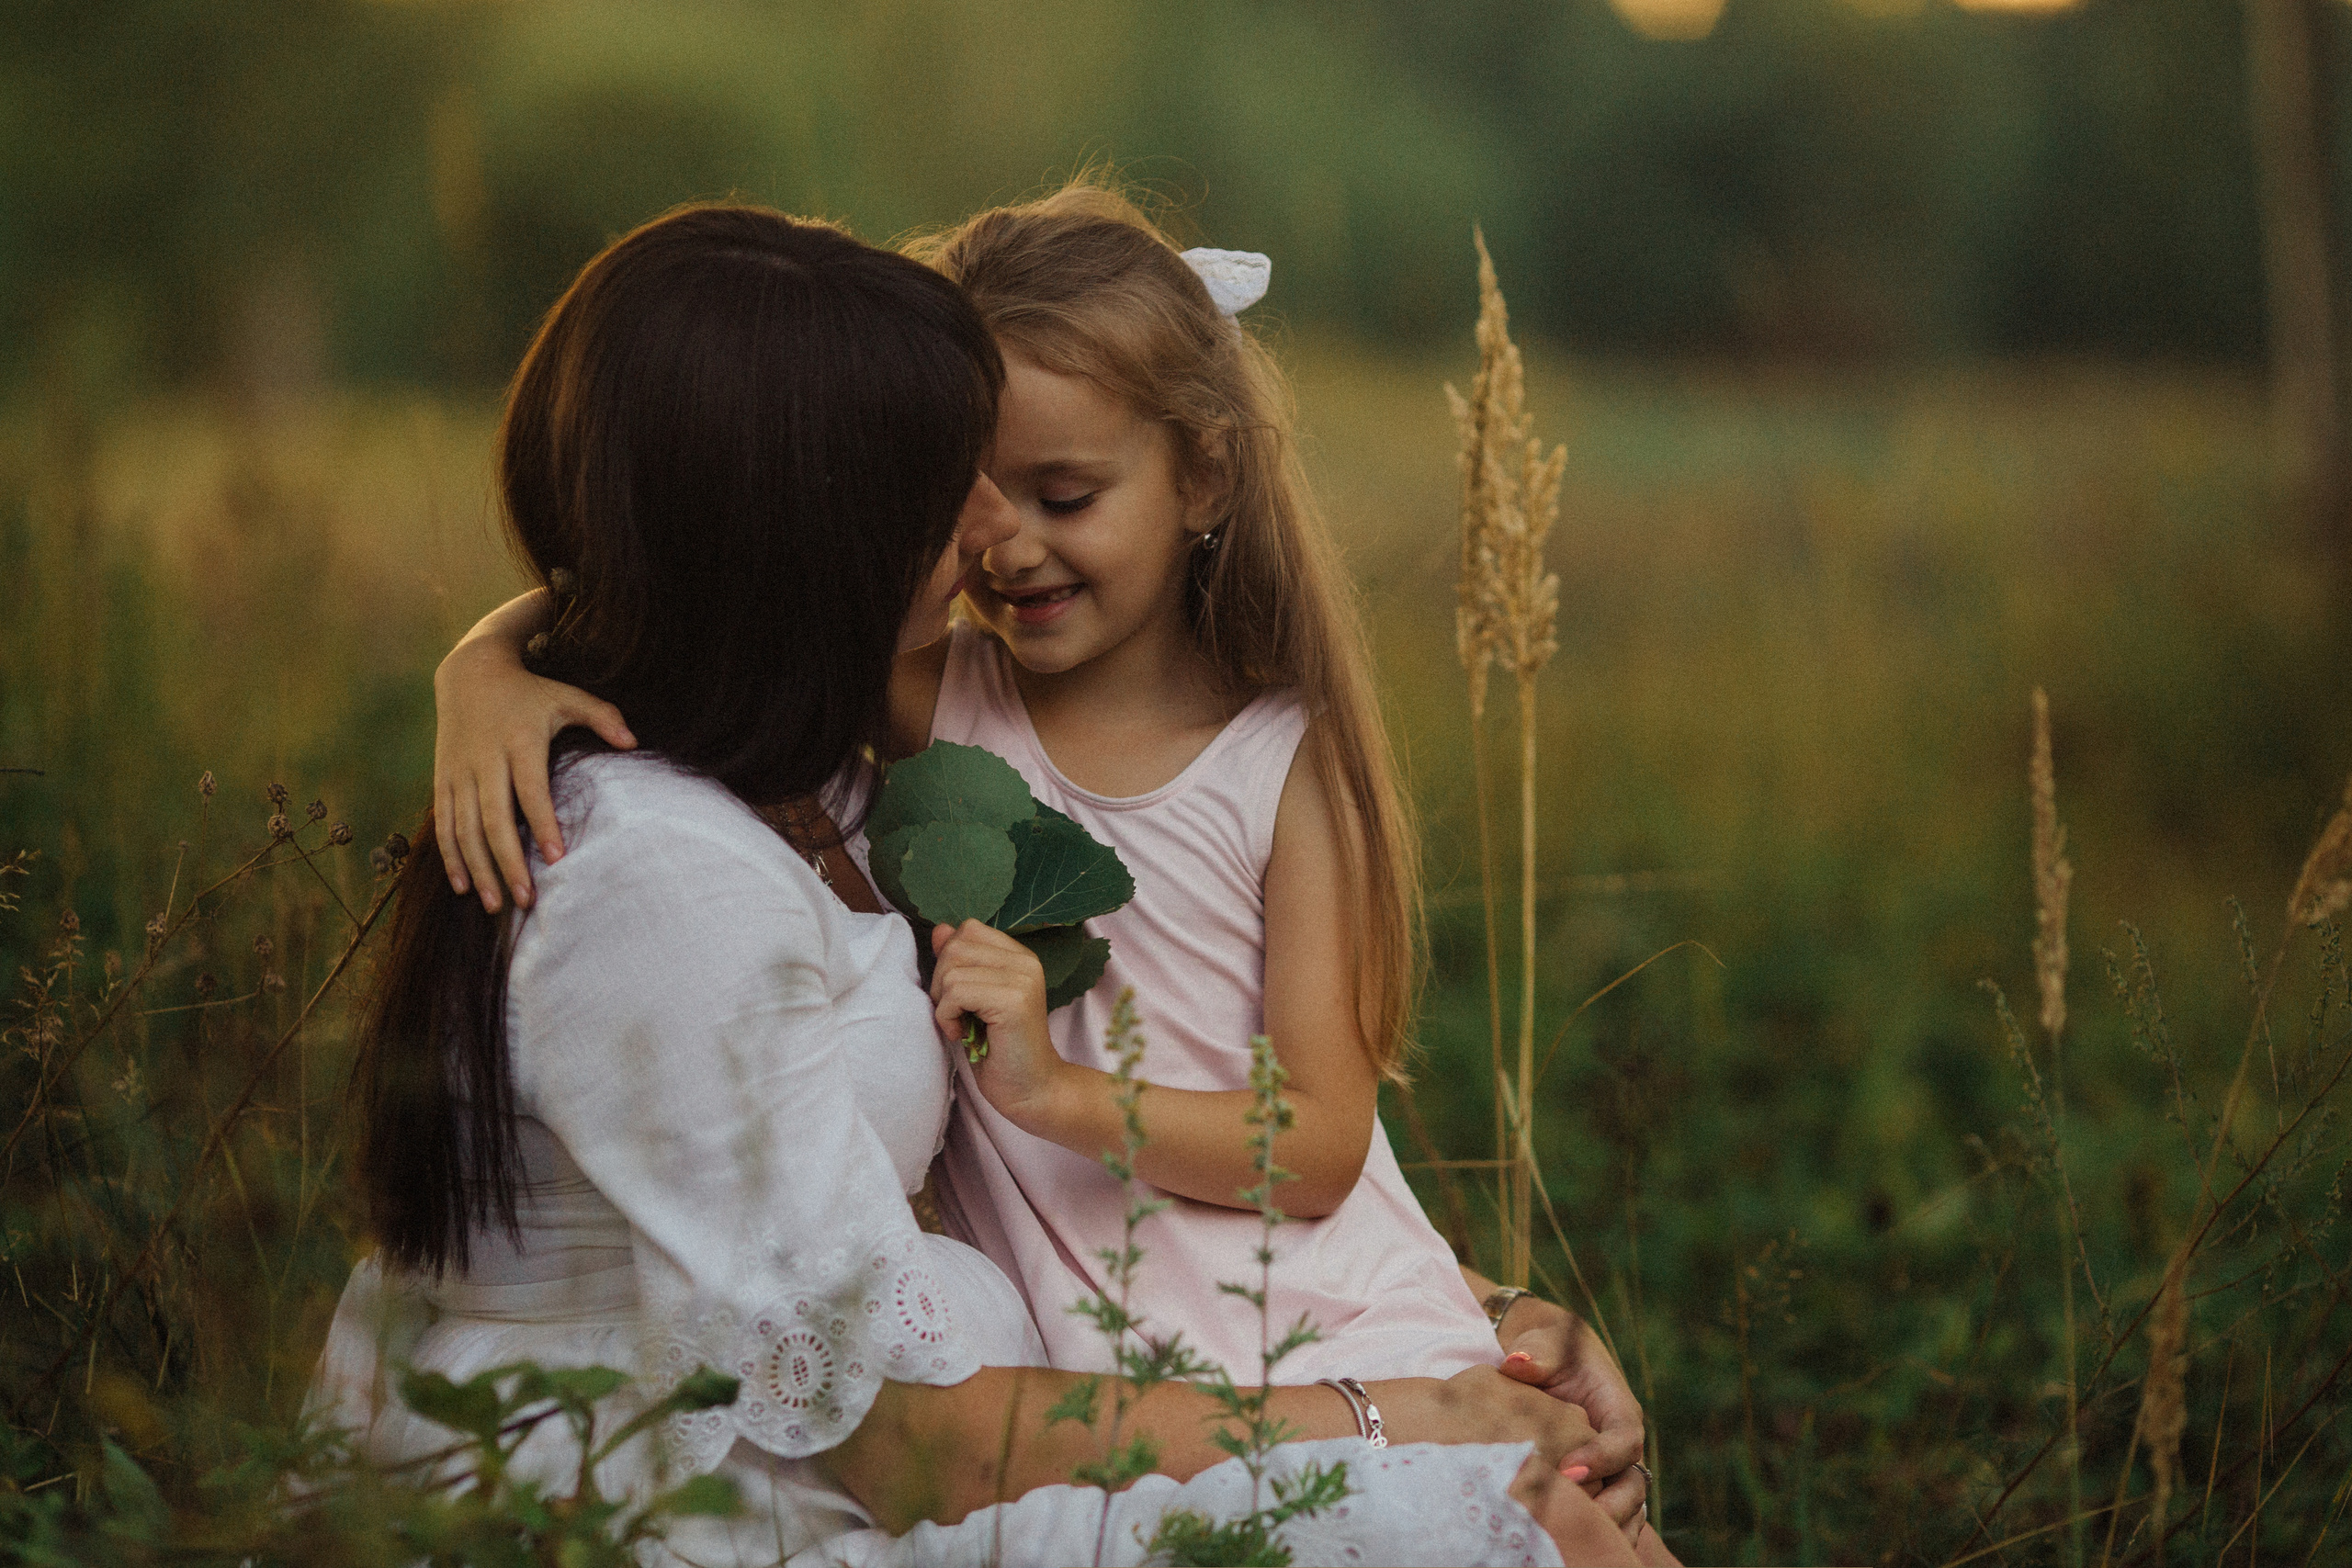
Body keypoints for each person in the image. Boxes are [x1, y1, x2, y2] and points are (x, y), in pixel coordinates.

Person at [320, 199, 1645, 1566]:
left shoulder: (822, 771)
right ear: (798, 538)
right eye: (938, 489)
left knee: (1561, 1518)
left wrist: (1475, 1317)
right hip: (787, 1485)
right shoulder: (686, 866)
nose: (988, 536)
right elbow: (907, 1445)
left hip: (1147, 1348)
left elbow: (1306, 1135)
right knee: (1521, 1519)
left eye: (1041, 491)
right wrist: (1394, 1416)